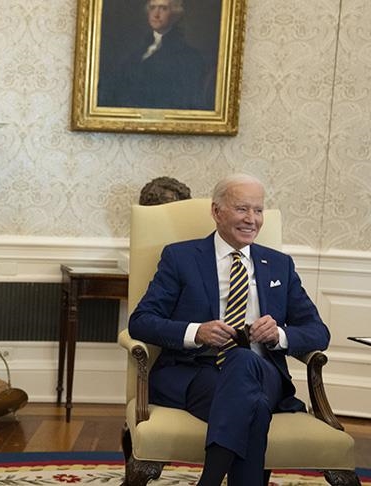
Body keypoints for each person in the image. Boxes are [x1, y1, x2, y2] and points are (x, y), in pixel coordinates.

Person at [128, 173, 330, 486]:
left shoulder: (280, 265)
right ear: (216, 211)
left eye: (258, 210)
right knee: (255, 408)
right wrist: (196, 332)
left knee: (245, 360)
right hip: (197, 373)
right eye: (242, 209)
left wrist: (279, 335)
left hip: (264, 373)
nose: (252, 219)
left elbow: (318, 332)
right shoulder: (180, 257)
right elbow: (141, 320)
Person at [98, 0, 213, 110]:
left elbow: (182, 100)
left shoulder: (188, 56)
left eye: (163, 8)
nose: (156, 14)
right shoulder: (138, 51)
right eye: (152, 8)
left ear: (175, 14)